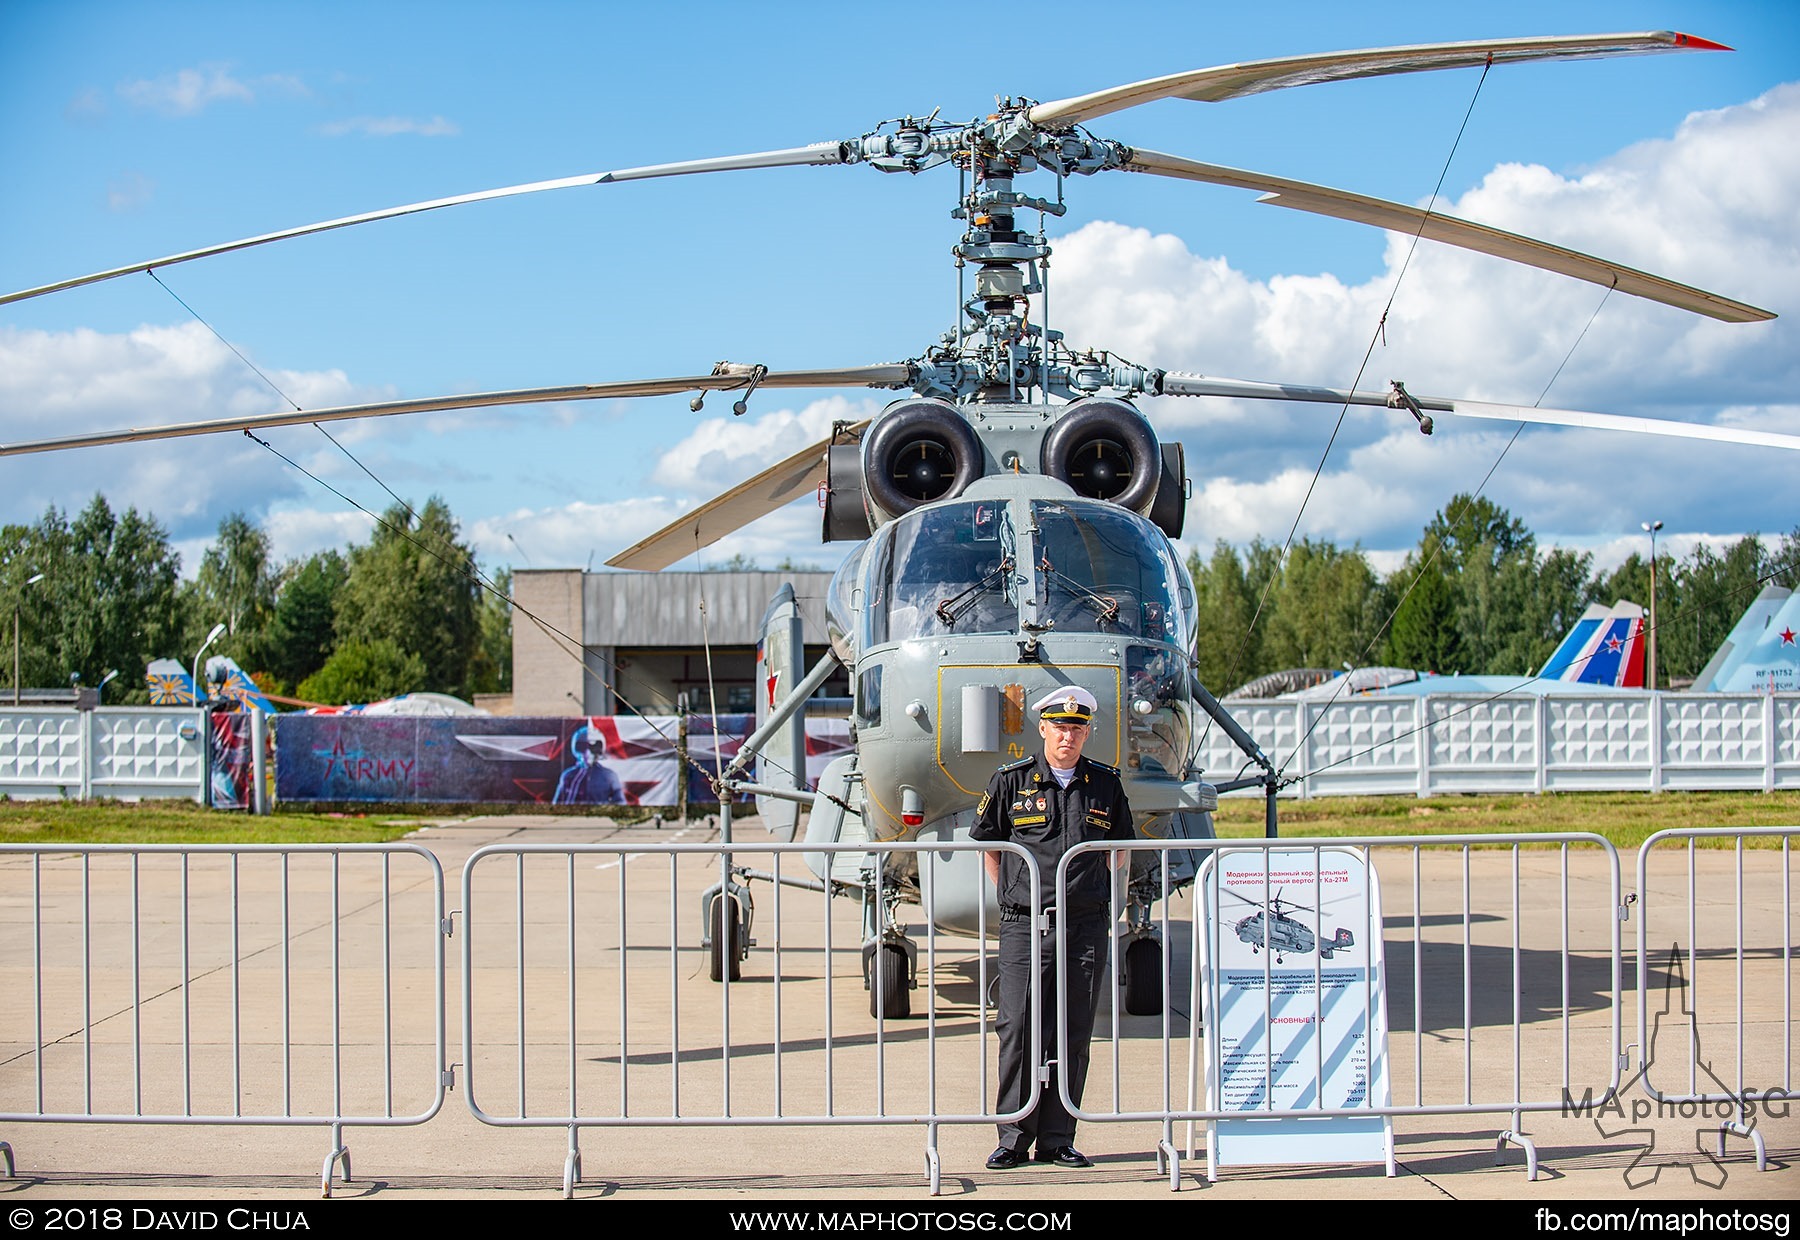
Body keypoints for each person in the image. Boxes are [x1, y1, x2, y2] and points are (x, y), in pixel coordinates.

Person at [969, 685, 1133, 1171]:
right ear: (1042, 729)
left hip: (1083, 925)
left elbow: (1120, 847)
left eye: (1077, 728)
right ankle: (1014, 1137)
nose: (1068, 735)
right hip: (1024, 924)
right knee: (1018, 1026)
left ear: (1086, 733)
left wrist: (1098, 886)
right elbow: (991, 846)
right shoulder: (1011, 781)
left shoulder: (1104, 784)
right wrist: (1016, 897)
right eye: (1060, 726)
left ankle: (1059, 1138)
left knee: (1073, 1027)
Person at [553, 724, 626, 805]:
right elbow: (556, 805)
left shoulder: (609, 776)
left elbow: (620, 805)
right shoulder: (568, 776)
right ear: (577, 748)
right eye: (583, 747)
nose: (588, 753)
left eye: (594, 748)